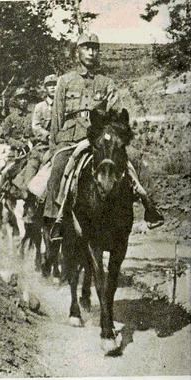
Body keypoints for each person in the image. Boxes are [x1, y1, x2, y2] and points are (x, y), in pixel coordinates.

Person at [44, 33, 163, 240]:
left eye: (95, 48)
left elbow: (116, 114)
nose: (91, 52)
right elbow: (56, 117)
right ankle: (56, 220)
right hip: (71, 138)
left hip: (100, 139)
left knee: (133, 164)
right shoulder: (65, 81)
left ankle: (149, 207)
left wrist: (112, 132)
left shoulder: (106, 82)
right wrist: (54, 146)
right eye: (86, 48)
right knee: (58, 168)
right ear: (77, 52)